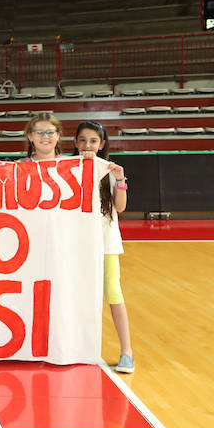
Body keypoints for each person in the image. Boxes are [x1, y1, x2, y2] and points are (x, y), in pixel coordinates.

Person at [74, 121, 134, 374]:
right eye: (83, 140)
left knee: (113, 293)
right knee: (76, 296)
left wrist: (120, 180)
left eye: (93, 141)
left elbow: (120, 207)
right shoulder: (68, 170)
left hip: (106, 244)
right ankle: (78, 347)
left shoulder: (108, 171)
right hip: (76, 245)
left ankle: (127, 351)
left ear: (102, 144)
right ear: (75, 143)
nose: (88, 146)